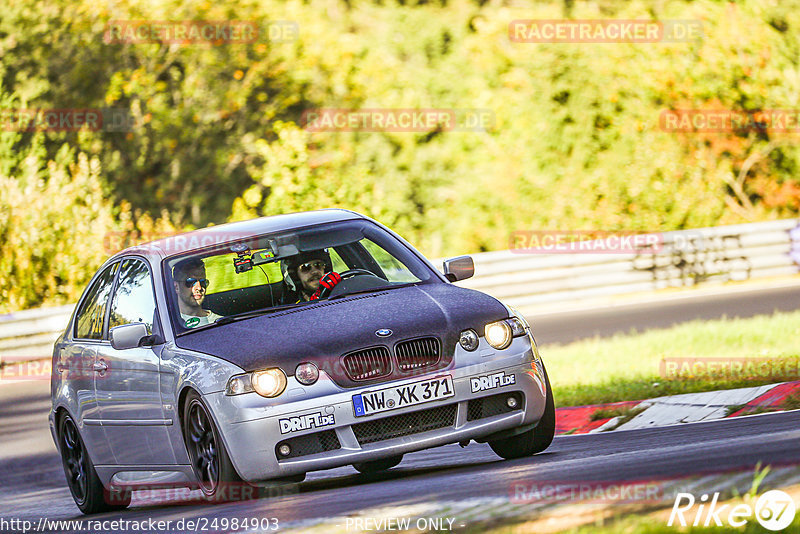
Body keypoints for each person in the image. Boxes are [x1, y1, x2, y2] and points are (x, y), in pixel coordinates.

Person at [172, 257, 222, 328]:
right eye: (191, 282)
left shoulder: (219, 322)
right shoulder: (170, 325)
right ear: (176, 287)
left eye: (203, 282)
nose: (199, 287)